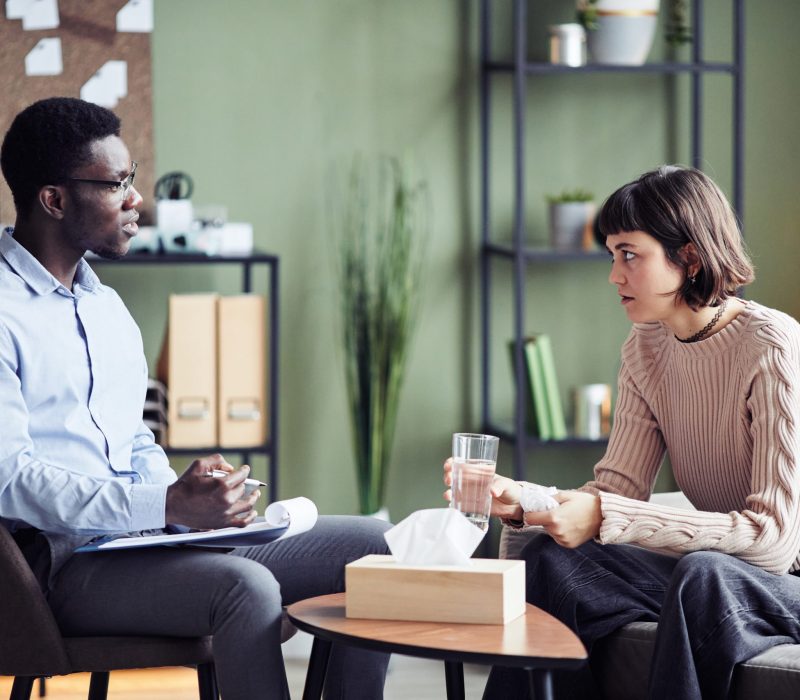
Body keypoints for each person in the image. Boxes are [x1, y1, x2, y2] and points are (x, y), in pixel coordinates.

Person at [0, 97, 391, 700]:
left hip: (140, 545)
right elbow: (10, 480)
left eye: (133, 180)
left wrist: (187, 502)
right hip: (58, 568)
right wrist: (161, 505)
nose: (137, 201)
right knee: (247, 588)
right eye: (117, 184)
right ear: (54, 200)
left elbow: (132, 438)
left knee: (373, 548)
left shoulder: (104, 306)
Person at [445, 165, 800, 700]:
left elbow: (773, 541)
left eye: (629, 254)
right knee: (549, 556)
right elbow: (616, 491)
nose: (615, 275)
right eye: (612, 255)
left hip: (783, 579)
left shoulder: (771, 348)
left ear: (690, 258)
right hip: (719, 572)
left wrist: (607, 517)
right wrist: (525, 501)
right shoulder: (644, 349)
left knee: (704, 576)